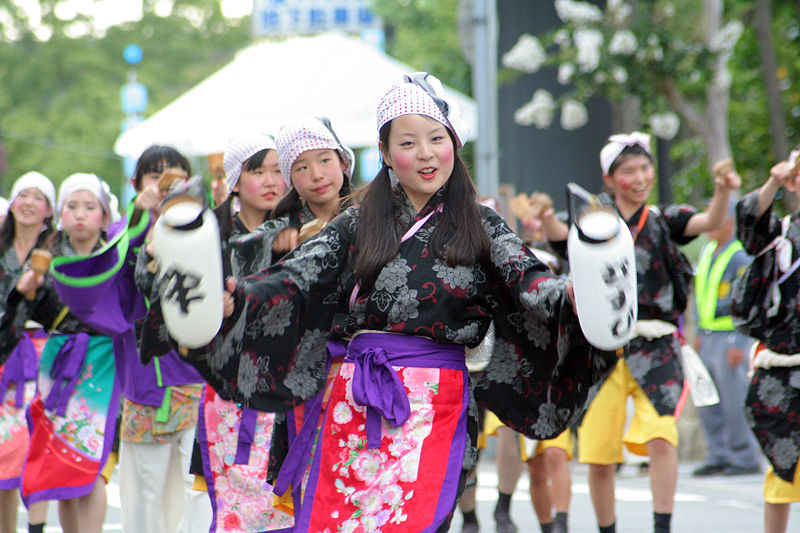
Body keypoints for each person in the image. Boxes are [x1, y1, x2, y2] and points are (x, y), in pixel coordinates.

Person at [163, 72, 617, 532]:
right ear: (383, 153)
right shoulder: (355, 220)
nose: (425, 153)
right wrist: (234, 300)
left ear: (453, 144)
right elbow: (295, 277)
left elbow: (531, 282)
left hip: (436, 405)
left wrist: (578, 298)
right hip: (350, 404)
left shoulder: (481, 223)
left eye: (436, 138)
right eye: (408, 142)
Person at [530, 132, 739, 533]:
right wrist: (547, 218)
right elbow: (561, 236)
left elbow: (710, 220)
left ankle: (663, 526)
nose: (640, 177)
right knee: (598, 453)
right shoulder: (595, 224)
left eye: (645, 168)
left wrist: (722, 191)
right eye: (628, 171)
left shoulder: (664, 219)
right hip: (601, 349)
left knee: (663, 435)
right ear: (609, 179)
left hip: (656, 344)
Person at [1, 172, 148, 533]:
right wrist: (26, 292)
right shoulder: (46, 259)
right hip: (58, 360)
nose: (80, 214)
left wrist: (143, 213)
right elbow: (14, 328)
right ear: (61, 214)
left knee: (93, 464)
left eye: (89, 207)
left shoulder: (117, 254)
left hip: (104, 363)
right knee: (62, 466)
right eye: (72, 206)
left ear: (103, 214)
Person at [191, 134, 294, 532]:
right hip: (227, 385)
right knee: (234, 506)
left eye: (278, 170)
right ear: (234, 181)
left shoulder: (302, 232)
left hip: (289, 383)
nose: (271, 180)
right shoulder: (208, 234)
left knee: (285, 503)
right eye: (258, 171)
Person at [122, 145, 212, 533]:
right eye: (154, 176)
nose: (165, 183)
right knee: (144, 495)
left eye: (174, 175)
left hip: (200, 377)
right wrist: (139, 217)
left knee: (199, 488)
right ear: (137, 183)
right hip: (147, 381)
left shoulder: (205, 225)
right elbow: (113, 269)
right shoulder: (128, 228)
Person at [733, 151, 800, 533]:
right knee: (782, 467)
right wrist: (773, 181)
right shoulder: (781, 235)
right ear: (794, 182)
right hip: (783, 362)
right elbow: (749, 227)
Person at [0, 172, 55, 533]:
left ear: (49, 210)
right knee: (5, 448)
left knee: (38, 442)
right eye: (23, 195)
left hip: (44, 355)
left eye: (38, 197)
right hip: (4, 356)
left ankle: (37, 526)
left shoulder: (59, 253)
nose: (29, 202)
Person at [692, 199, 761, 478]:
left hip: (730, 337)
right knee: (708, 400)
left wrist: (742, 341)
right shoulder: (708, 252)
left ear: (730, 222)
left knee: (735, 400)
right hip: (707, 336)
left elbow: (749, 300)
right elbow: (700, 293)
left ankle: (744, 456)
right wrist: (697, 330)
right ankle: (717, 454)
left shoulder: (739, 255)